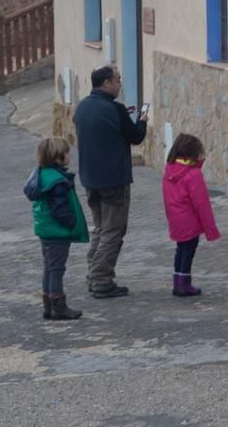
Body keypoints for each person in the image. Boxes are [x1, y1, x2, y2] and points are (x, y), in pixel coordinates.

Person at [74, 66, 148, 299]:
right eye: (117, 80)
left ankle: (93, 275)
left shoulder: (83, 107)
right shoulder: (114, 109)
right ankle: (102, 279)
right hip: (113, 179)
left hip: (90, 178)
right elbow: (136, 136)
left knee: (100, 228)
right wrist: (142, 120)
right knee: (114, 229)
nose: (120, 84)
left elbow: (102, 129)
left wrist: (122, 116)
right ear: (106, 83)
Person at [23, 137, 89, 320]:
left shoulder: (41, 175)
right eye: (67, 153)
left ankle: (48, 306)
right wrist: (71, 221)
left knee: (49, 268)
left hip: (45, 231)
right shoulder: (57, 181)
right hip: (57, 232)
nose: (69, 155)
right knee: (57, 269)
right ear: (58, 157)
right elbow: (60, 209)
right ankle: (58, 307)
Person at [162, 134, 221, 297]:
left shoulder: (169, 170)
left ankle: (177, 282)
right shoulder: (193, 175)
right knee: (188, 251)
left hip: (176, 219)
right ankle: (184, 285)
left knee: (180, 250)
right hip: (190, 221)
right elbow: (202, 204)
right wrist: (211, 229)